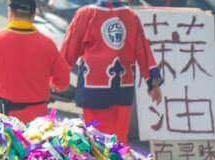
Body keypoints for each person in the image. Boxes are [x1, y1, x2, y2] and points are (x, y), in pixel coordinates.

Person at [60, 1, 163, 140]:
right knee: (118, 140)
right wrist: (153, 83)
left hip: (93, 86)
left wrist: (58, 77)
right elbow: (143, 51)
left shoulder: (86, 14)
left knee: (94, 138)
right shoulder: (131, 16)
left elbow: (70, 47)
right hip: (122, 87)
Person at [0, 0, 72, 121]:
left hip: (4, 119)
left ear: (10, 12)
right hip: (37, 121)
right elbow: (63, 82)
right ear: (33, 14)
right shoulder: (47, 44)